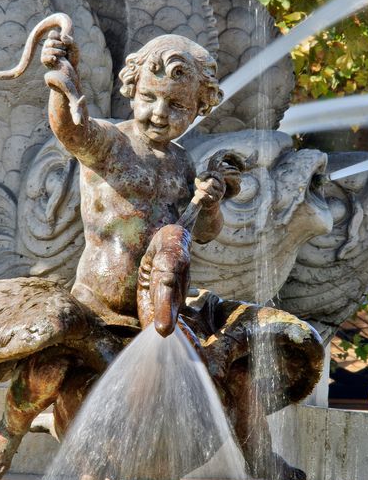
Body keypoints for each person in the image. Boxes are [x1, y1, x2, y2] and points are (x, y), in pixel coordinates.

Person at [41, 31, 240, 328]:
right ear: (133, 90)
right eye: (149, 97)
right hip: (96, 306)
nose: (159, 113)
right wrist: (62, 77)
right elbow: (70, 130)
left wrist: (210, 206)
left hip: (158, 308)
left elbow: (201, 234)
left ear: (199, 109)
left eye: (176, 105)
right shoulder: (112, 142)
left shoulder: (183, 162)